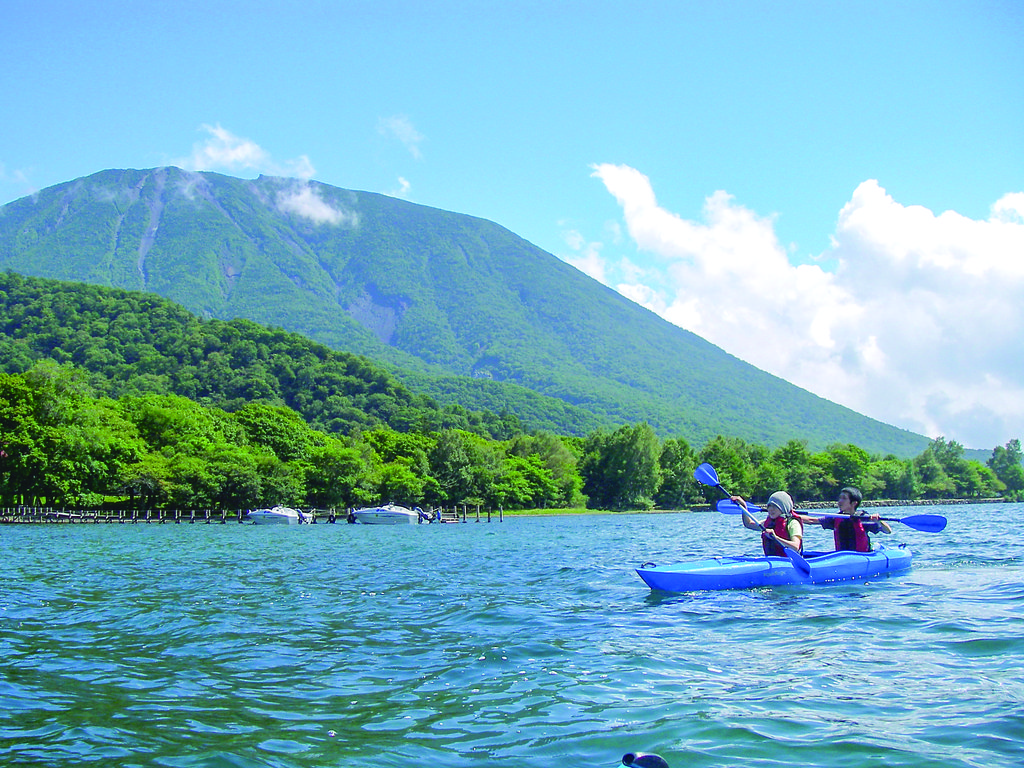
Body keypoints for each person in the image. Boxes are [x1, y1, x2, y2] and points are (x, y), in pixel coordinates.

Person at [799, 486, 891, 552]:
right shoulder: (837, 518)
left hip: (862, 557)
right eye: (840, 498)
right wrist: (792, 515)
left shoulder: (863, 518)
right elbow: (811, 520)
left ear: (854, 503)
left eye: (844, 498)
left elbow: (888, 531)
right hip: (842, 557)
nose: (839, 501)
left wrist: (879, 521)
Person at [731, 490, 803, 557]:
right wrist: (743, 506)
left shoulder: (793, 523)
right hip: (772, 560)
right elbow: (748, 524)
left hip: (790, 562)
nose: (771, 509)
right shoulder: (768, 523)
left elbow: (795, 547)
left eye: (775, 506)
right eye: (769, 506)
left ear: (784, 507)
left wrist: (775, 538)